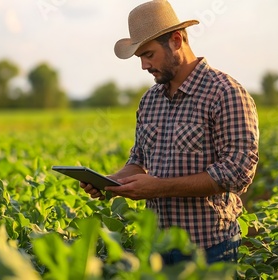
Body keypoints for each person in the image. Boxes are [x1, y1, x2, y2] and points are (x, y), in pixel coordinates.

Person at [81, 0, 259, 265]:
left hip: (209, 247)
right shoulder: (150, 100)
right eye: (140, 57)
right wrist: (111, 182)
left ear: (176, 40)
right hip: (157, 248)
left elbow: (237, 172)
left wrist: (159, 188)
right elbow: (138, 161)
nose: (143, 65)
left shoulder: (225, 93)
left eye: (149, 54)